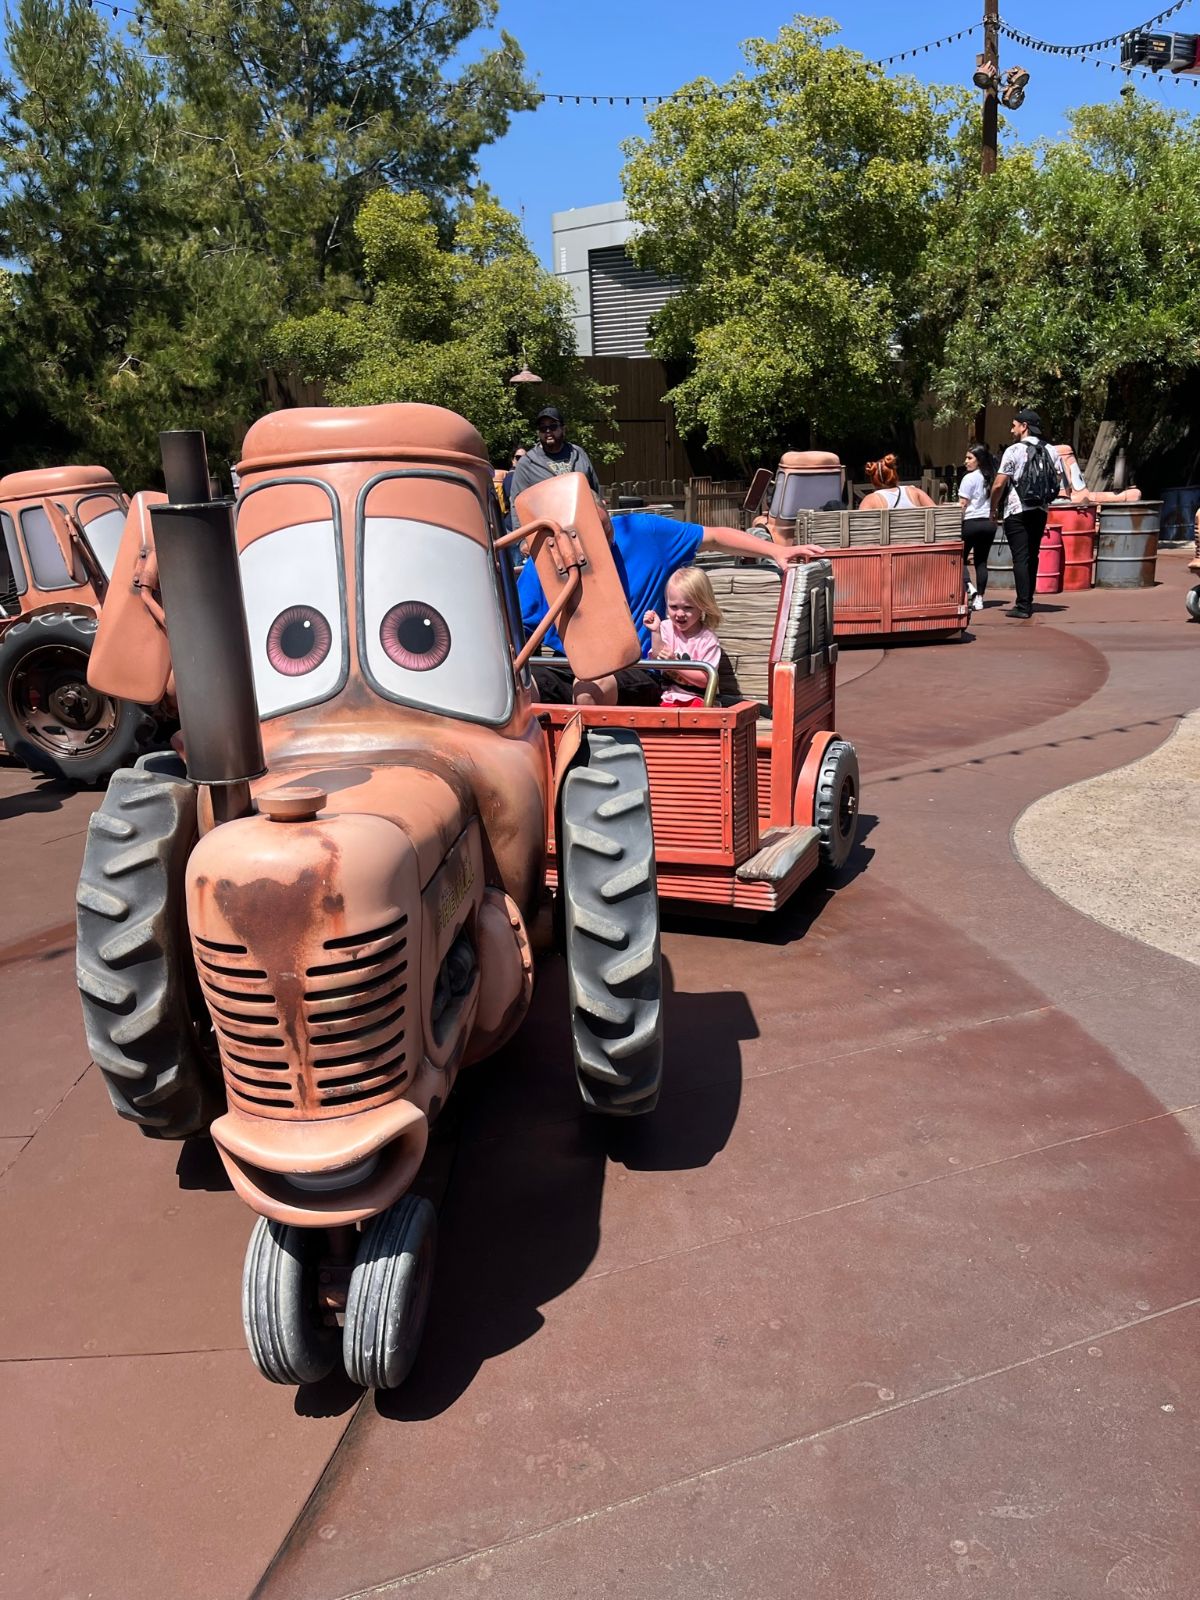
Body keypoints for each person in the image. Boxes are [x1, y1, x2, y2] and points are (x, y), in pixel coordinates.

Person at [519, 503, 822, 704]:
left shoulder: (642, 533)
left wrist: (775, 551)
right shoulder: (547, 558)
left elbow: (714, 537)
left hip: (637, 669)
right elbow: (521, 626)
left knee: (591, 688)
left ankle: (586, 777)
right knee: (520, 688)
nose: (605, 539)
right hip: (569, 666)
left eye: (606, 529)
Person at [990, 408, 1065, 620]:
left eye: (1014, 425)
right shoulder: (1052, 450)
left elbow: (999, 483)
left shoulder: (1013, 451)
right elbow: (1057, 478)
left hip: (1017, 510)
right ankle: (1028, 600)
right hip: (1040, 510)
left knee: (1020, 558)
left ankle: (1022, 606)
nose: (1011, 429)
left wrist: (993, 507)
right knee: (1033, 556)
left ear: (1024, 426)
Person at [643, 567, 724, 707]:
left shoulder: (707, 639)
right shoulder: (666, 628)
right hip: (667, 696)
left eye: (688, 607)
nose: (680, 613)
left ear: (702, 606)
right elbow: (658, 658)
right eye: (674, 607)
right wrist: (655, 631)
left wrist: (675, 663)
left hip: (697, 698)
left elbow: (705, 680)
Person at [509, 406, 601, 500]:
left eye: (553, 426)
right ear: (538, 433)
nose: (548, 431)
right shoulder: (527, 463)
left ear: (563, 429)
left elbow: (595, 492)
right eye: (543, 428)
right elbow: (517, 502)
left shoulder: (578, 453)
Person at [958, 443, 997, 611]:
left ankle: (968, 588)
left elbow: (962, 504)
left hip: (971, 522)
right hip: (988, 523)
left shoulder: (969, 478)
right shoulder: (990, 476)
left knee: (959, 559)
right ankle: (980, 598)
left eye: (969, 458)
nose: (966, 461)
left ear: (979, 460)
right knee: (981, 561)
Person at [857, 454, 936, 510]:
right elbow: (936, 514)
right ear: (894, 474)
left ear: (873, 479)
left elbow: (860, 529)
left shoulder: (870, 500)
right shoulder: (915, 492)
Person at [498, 445, 527, 533]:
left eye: (524, 457)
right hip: (513, 526)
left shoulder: (524, 476)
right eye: (518, 457)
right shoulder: (512, 477)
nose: (521, 460)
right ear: (513, 460)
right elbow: (514, 501)